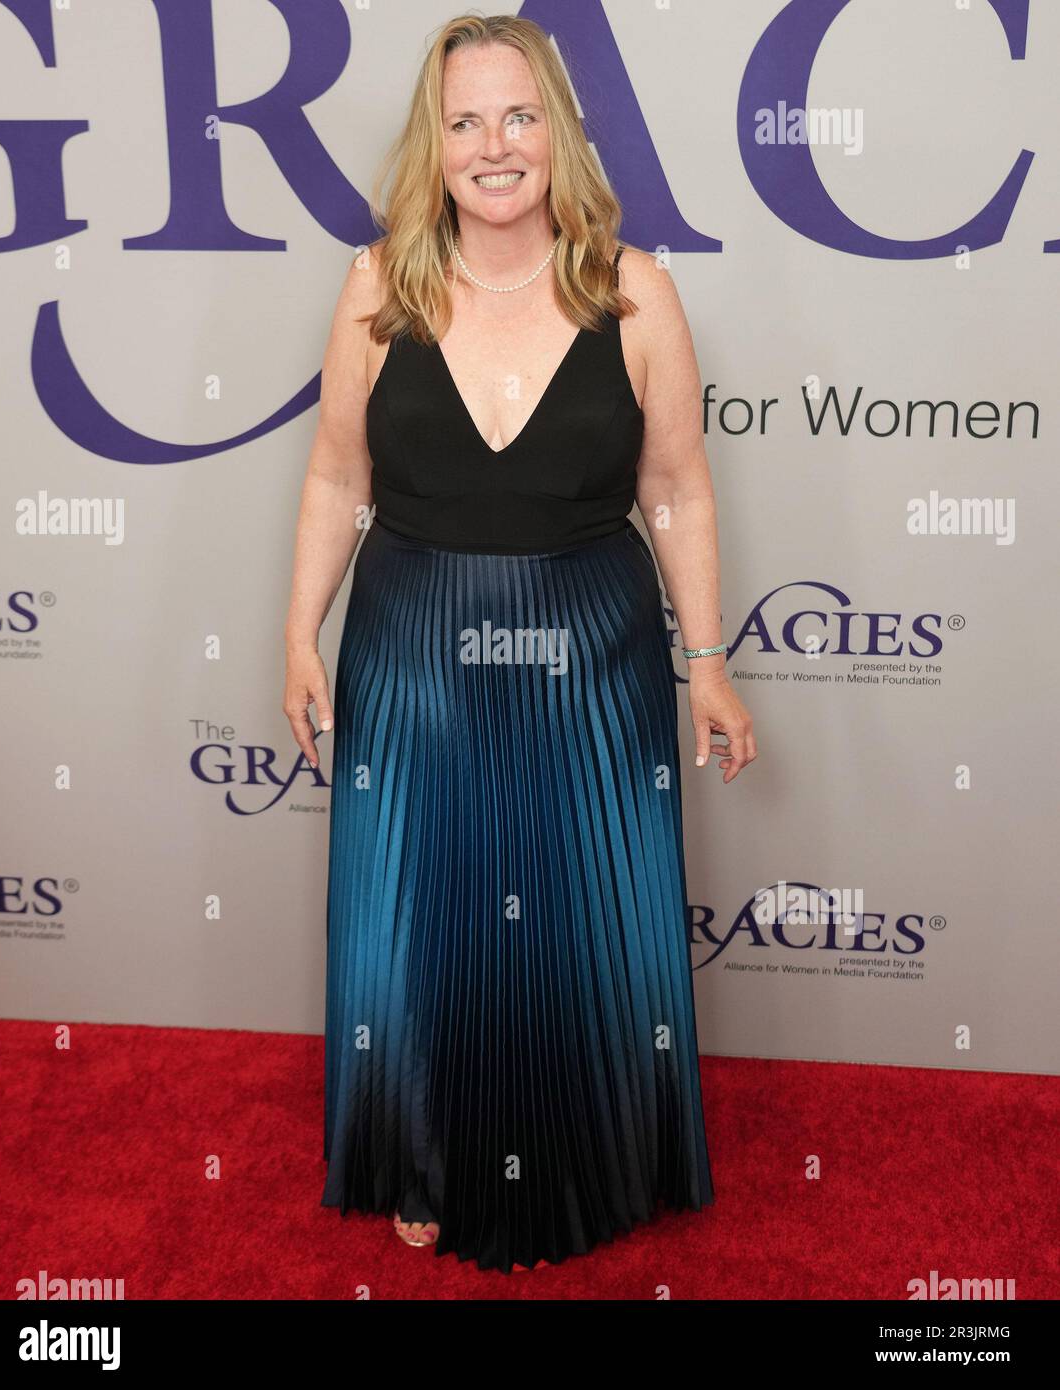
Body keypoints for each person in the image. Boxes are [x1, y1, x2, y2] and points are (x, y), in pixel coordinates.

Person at [283, 12, 756, 1274]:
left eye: (518, 115)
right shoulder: (380, 284)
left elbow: (679, 490)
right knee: (424, 916)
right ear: (431, 148)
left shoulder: (633, 288)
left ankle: (594, 1153)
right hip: (412, 655)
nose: (494, 146)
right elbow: (338, 475)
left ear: (557, 130)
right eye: (464, 122)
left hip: (589, 661)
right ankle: (425, 1151)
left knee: (582, 913)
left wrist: (704, 660)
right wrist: (298, 631)